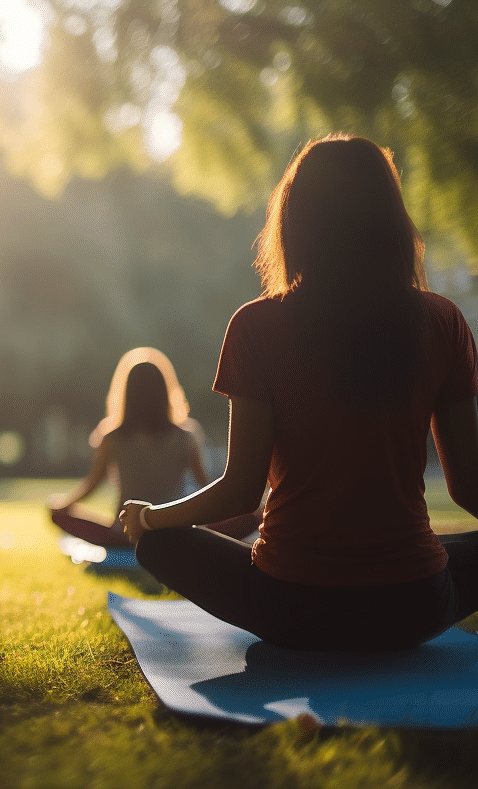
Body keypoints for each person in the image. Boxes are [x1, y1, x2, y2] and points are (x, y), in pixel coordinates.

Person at [119, 134, 478, 652]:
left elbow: (242, 490)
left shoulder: (256, 326)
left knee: (159, 545)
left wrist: (149, 517)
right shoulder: (442, 321)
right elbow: (469, 487)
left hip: (291, 608)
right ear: (390, 218)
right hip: (414, 606)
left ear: (296, 218)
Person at [49, 348, 258, 549]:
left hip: (125, 535)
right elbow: (206, 489)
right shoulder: (186, 436)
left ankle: (140, 544)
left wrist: (63, 503)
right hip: (176, 534)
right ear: (165, 392)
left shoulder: (112, 437)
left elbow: (91, 485)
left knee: (57, 515)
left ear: (127, 393)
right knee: (255, 518)